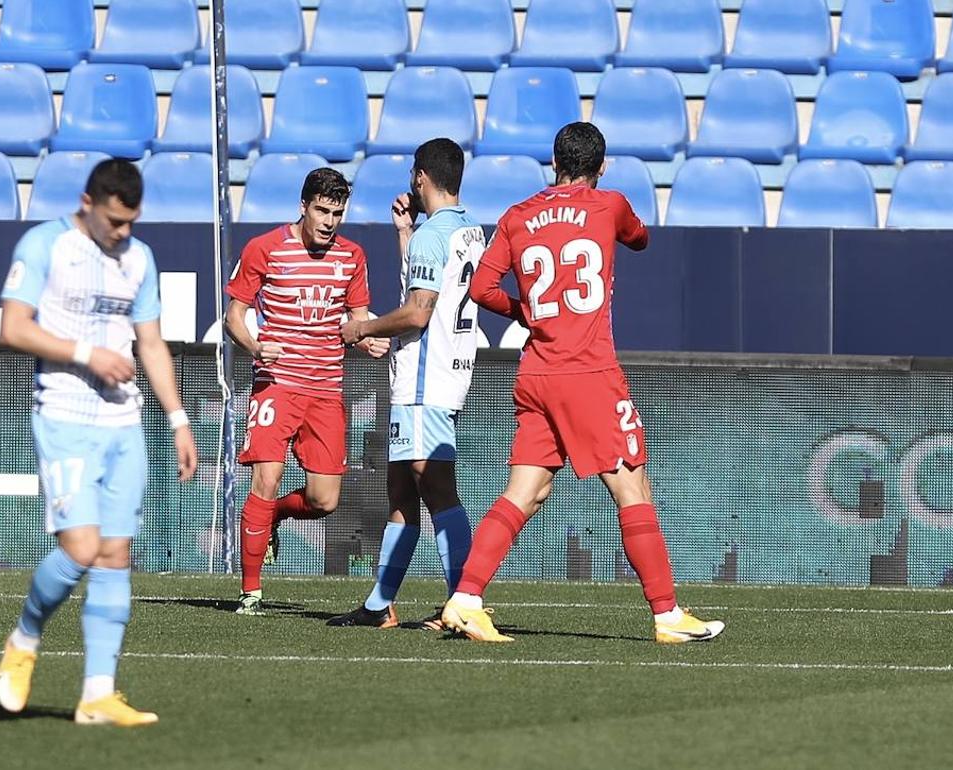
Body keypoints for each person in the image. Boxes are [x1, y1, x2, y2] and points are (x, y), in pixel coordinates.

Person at [440, 122, 725, 644]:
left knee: (526, 491)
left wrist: (524, 312)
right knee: (633, 486)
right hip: (589, 373)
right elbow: (640, 237)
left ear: (554, 163)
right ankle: (667, 615)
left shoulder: (516, 216)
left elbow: (482, 288)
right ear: (603, 165)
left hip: (536, 372)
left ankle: (465, 599)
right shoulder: (609, 204)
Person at [0, 159, 199, 726]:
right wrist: (87, 355)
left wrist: (179, 420)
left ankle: (97, 695)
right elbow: (12, 327)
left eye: (131, 221)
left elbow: (151, 344)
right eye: (115, 221)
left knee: (115, 553)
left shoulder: (139, 258)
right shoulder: (45, 246)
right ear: (88, 202)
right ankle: (25, 638)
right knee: (81, 549)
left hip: (123, 426)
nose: (123, 232)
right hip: (63, 418)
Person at [327, 138, 482, 629]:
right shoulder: (467, 231)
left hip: (424, 379)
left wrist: (363, 328)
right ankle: (379, 604)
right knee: (401, 490)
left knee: (435, 488)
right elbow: (425, 285)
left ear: (420, 178)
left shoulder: (432, 236)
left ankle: (463, 602)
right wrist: (405, 232)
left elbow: (418, 311)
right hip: (444, 373)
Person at [225, 168, 388, 615]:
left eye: (337, 212)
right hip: (276, 384)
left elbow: (357, 316)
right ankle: (251, 591)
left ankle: (274, 514)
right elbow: (233, 317)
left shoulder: (352, 256)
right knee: (266, 476)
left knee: (324, 500)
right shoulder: (265, 249)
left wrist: (369, 333)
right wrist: (257, 346)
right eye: (322, 209)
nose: (329, 220)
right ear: (304, 206)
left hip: (326, 390)